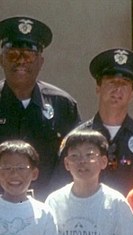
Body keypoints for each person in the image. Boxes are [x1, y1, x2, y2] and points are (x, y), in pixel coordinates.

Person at [0, 16, 80, 198]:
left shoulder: (63, 105)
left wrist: (53, 200)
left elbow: (73, 158)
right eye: (13, 55)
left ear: (40, 62)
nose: (21, 62)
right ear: (2, 60)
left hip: (49, 206)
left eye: (28, 56)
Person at [67, 48, 133, 195]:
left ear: (132, 93)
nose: (117, 89)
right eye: (111, 82)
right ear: (98, 88)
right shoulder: (77, 138)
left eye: (124, 83)